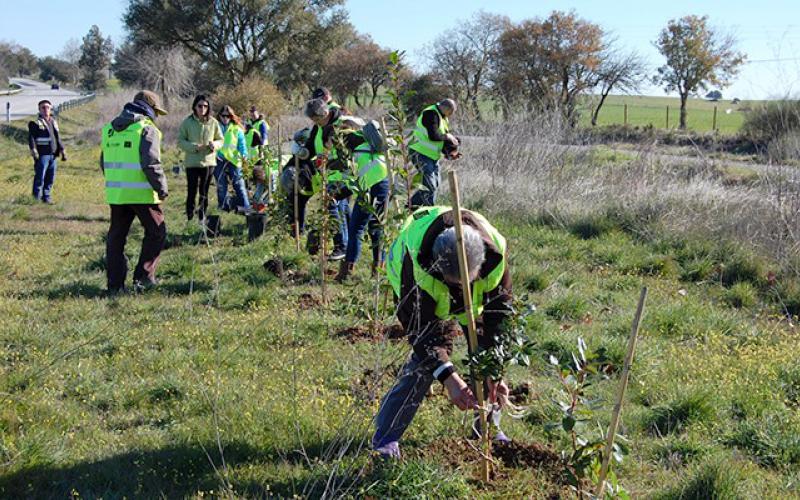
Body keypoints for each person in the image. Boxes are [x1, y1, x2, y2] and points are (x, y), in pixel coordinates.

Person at [373, 206, 513, 458]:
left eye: (467, 281)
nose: (462, 288)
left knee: (488, 356)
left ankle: (487, 427)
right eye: (455, 283)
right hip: (419, 296)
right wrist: (449, 378)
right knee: (424, 363)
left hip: (465, 289)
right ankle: (386, 437)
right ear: (439, 268)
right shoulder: (417, 267)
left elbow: (499, 317)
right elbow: (423, 335)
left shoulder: (495, 256)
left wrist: (496, 368)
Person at [100, 90, 169, 294]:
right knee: (157, 232)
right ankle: (143, 278)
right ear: (148, 109)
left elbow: (103, 162)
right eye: (155, 111)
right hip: (142, 194)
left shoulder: (110, 129)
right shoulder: (147, 129)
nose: (156, 116)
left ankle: (115, 286)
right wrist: (161, 188)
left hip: (117, 194)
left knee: (116, 239)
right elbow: (151, 163)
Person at [300, 98, 355, 261]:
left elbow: (347, 155)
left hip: (343, 174)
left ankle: (341, 246)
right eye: (313, 120)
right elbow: (312, 145)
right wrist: (304, 152)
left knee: (330, 204)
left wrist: (326, 161)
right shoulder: (319, 127)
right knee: (342, 209)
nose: (315, 123)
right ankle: (351, 242)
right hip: (329, 174)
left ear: (325, 113)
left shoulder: (341, 126)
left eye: (317, 119)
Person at [335, 128, 390, 281]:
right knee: (377, 228)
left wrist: (336, 195)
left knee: (356, 229)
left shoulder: (353, 154)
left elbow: (349, 182)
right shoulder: (370, 146)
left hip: (369, 189)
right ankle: (378, 270)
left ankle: (347, 271)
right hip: (384, 185)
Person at [177, 95, 224, 221]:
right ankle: (190, 217)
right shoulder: (187, 122)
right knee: (191, 191)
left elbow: (220, 139)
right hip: (192, 163)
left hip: (208, 162)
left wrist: (214, 145)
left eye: (205, 106)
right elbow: (180, 141)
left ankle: (202, 217)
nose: (202, 108)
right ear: (194, 107)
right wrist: (194, 147)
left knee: (204, 192)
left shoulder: (213, 122)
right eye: (200, 106)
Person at [408, 99, 459, 207]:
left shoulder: (443, 117)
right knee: (429, 185)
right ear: (447, 108)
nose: (451, 115)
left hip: (431, 156)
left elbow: (442, 139)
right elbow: (434, 136)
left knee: (435, 184)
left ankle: (411, 207)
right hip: (419, 153)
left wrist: (450, 152)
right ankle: (427, 211)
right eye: (451, 112)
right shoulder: (430, 114)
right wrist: (448, 136)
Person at [28, 99, 67, 204]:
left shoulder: (53, 122)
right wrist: (34, 151)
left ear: (51, 109)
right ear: (39, 110)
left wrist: (62, 150)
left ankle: (46, 197)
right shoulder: (36, 123)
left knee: (50, 178)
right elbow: (31, 138)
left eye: (47, 107)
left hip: (53, 155)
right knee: (40, 177)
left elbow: (57, 137)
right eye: (43, 107)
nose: (45, 109)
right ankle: (36, 198)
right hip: (42, 155)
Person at [214, 105, 250, 212]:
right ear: (219, 116)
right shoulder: (215, 127)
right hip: (219, 159)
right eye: (223, 116)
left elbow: (242, 145)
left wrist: (244, 156)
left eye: (228, 116)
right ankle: (223, 207)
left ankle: (246, 207)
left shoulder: (236, 129)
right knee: (221, 184)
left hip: (234, 160)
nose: (225, 118)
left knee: (238, 184)